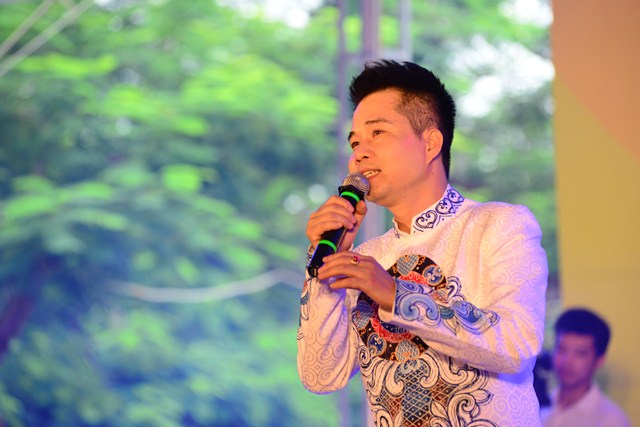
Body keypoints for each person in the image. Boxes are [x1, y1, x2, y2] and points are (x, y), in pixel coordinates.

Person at [296, 59, 548, 426]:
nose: (359, 153)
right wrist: (323, 260)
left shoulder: (499, 225)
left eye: (377, 133)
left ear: (430, 143)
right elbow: (321, 376)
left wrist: (394, 294)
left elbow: (517, 345)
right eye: (355, 142)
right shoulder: (364, 259)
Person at [540, 308, 631, 427]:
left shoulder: (612, 421)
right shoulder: (538, 405)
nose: (567, 361)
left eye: (580, 353)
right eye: (561, 349)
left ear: (599, 360)